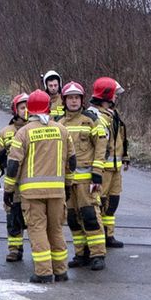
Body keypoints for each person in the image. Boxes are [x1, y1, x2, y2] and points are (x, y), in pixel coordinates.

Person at [4, 90, 76, 283]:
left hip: (31, 192)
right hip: (57, 191)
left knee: (37, 230)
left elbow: (13, 166)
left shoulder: (23, 132)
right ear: (48, 107)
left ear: (29, 110)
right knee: (56, 230)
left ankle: (43, 272)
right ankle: (61, 270)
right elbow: (72, 161)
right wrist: (68, 185)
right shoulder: (62, 130)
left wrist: (8, 190)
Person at [58, 81, 108, 270]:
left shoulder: (91, 120)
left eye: (76, 98)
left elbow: (101, 147)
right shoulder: (59, 123)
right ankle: (81, 253)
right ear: (64, 100)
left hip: (87, 180)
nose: (73, 101)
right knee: (72, 218)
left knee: (90, 216)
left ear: (82, 100)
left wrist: (97, 174)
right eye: (70, 98)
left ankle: (97, 254)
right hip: (67, 182)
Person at [91, 77, 128, 248]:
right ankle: (99, 237)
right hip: (102, 170)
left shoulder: (112, 115)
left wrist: (125, 156)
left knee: (112, 203)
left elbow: (120, 138)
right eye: (115, 94)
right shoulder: (95, 116)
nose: (117, 98)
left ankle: (109, 235)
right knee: (99, 203)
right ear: (107, 96)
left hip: (115, 169)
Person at [0, 93, 29, 262]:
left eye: (28, 107)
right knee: (13, 217)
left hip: (31, 182)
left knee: (33, 217)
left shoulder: (36, 129)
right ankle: (15, 249)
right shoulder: (6, 132)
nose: (26, 111)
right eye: (22, 108)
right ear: (15, 110)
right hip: (12, 183)